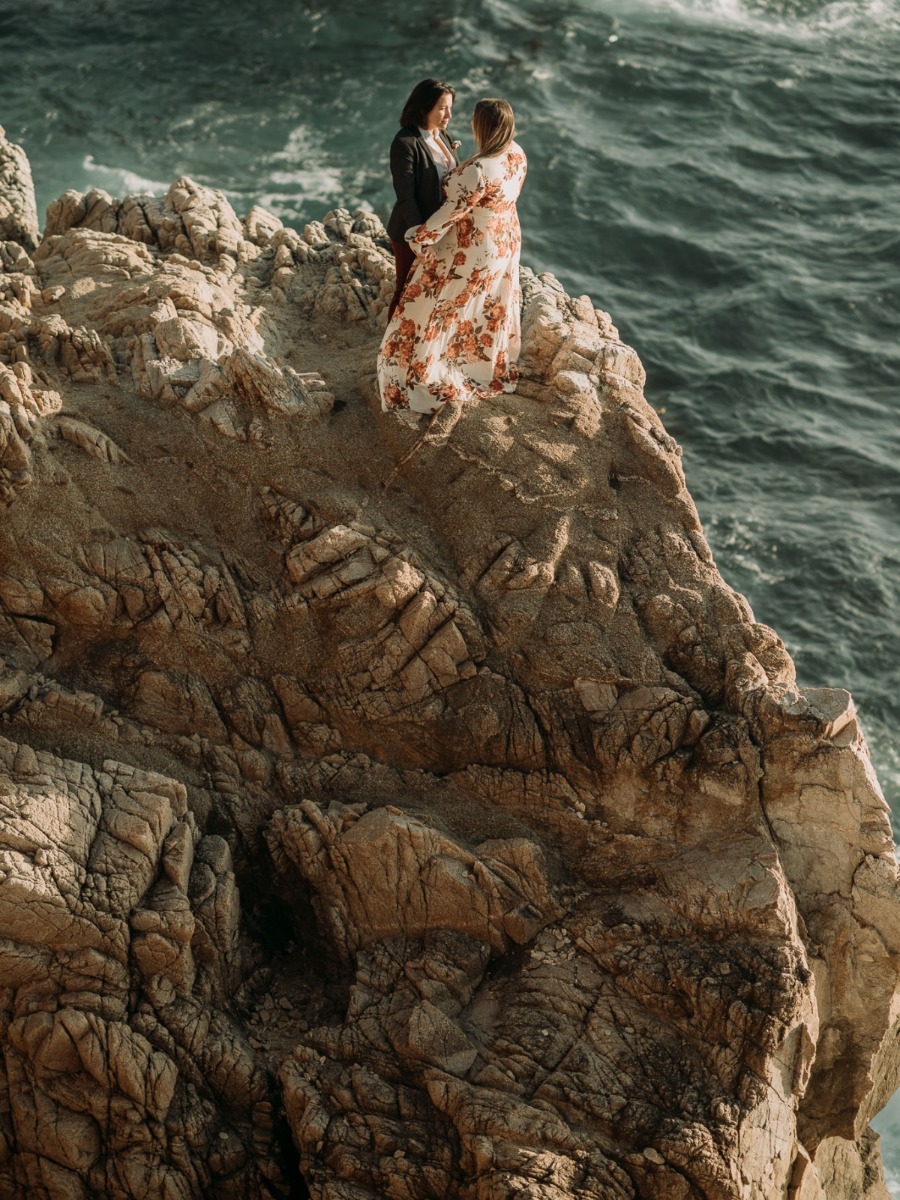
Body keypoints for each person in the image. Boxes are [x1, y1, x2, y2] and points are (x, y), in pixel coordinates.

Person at [378, 97, 527, 418]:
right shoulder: (516, 152)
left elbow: (449, 215)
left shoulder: (477, 170)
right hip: (506, 240)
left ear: (482, 126)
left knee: (437, 309)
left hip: (473, 249)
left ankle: (427, 370)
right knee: (485, 308)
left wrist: (417, 236)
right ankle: (480, 364)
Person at [386, 78, 459, 321]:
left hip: (439, 229)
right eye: (441, 108)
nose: (448, 114)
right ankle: (389, 350)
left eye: (450, 107)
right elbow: (405, 197)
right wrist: (422, 240)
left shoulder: (443, 135)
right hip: (411, 231)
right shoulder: (404, 143)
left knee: (433, 291)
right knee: (405, 289)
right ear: (422, 107)